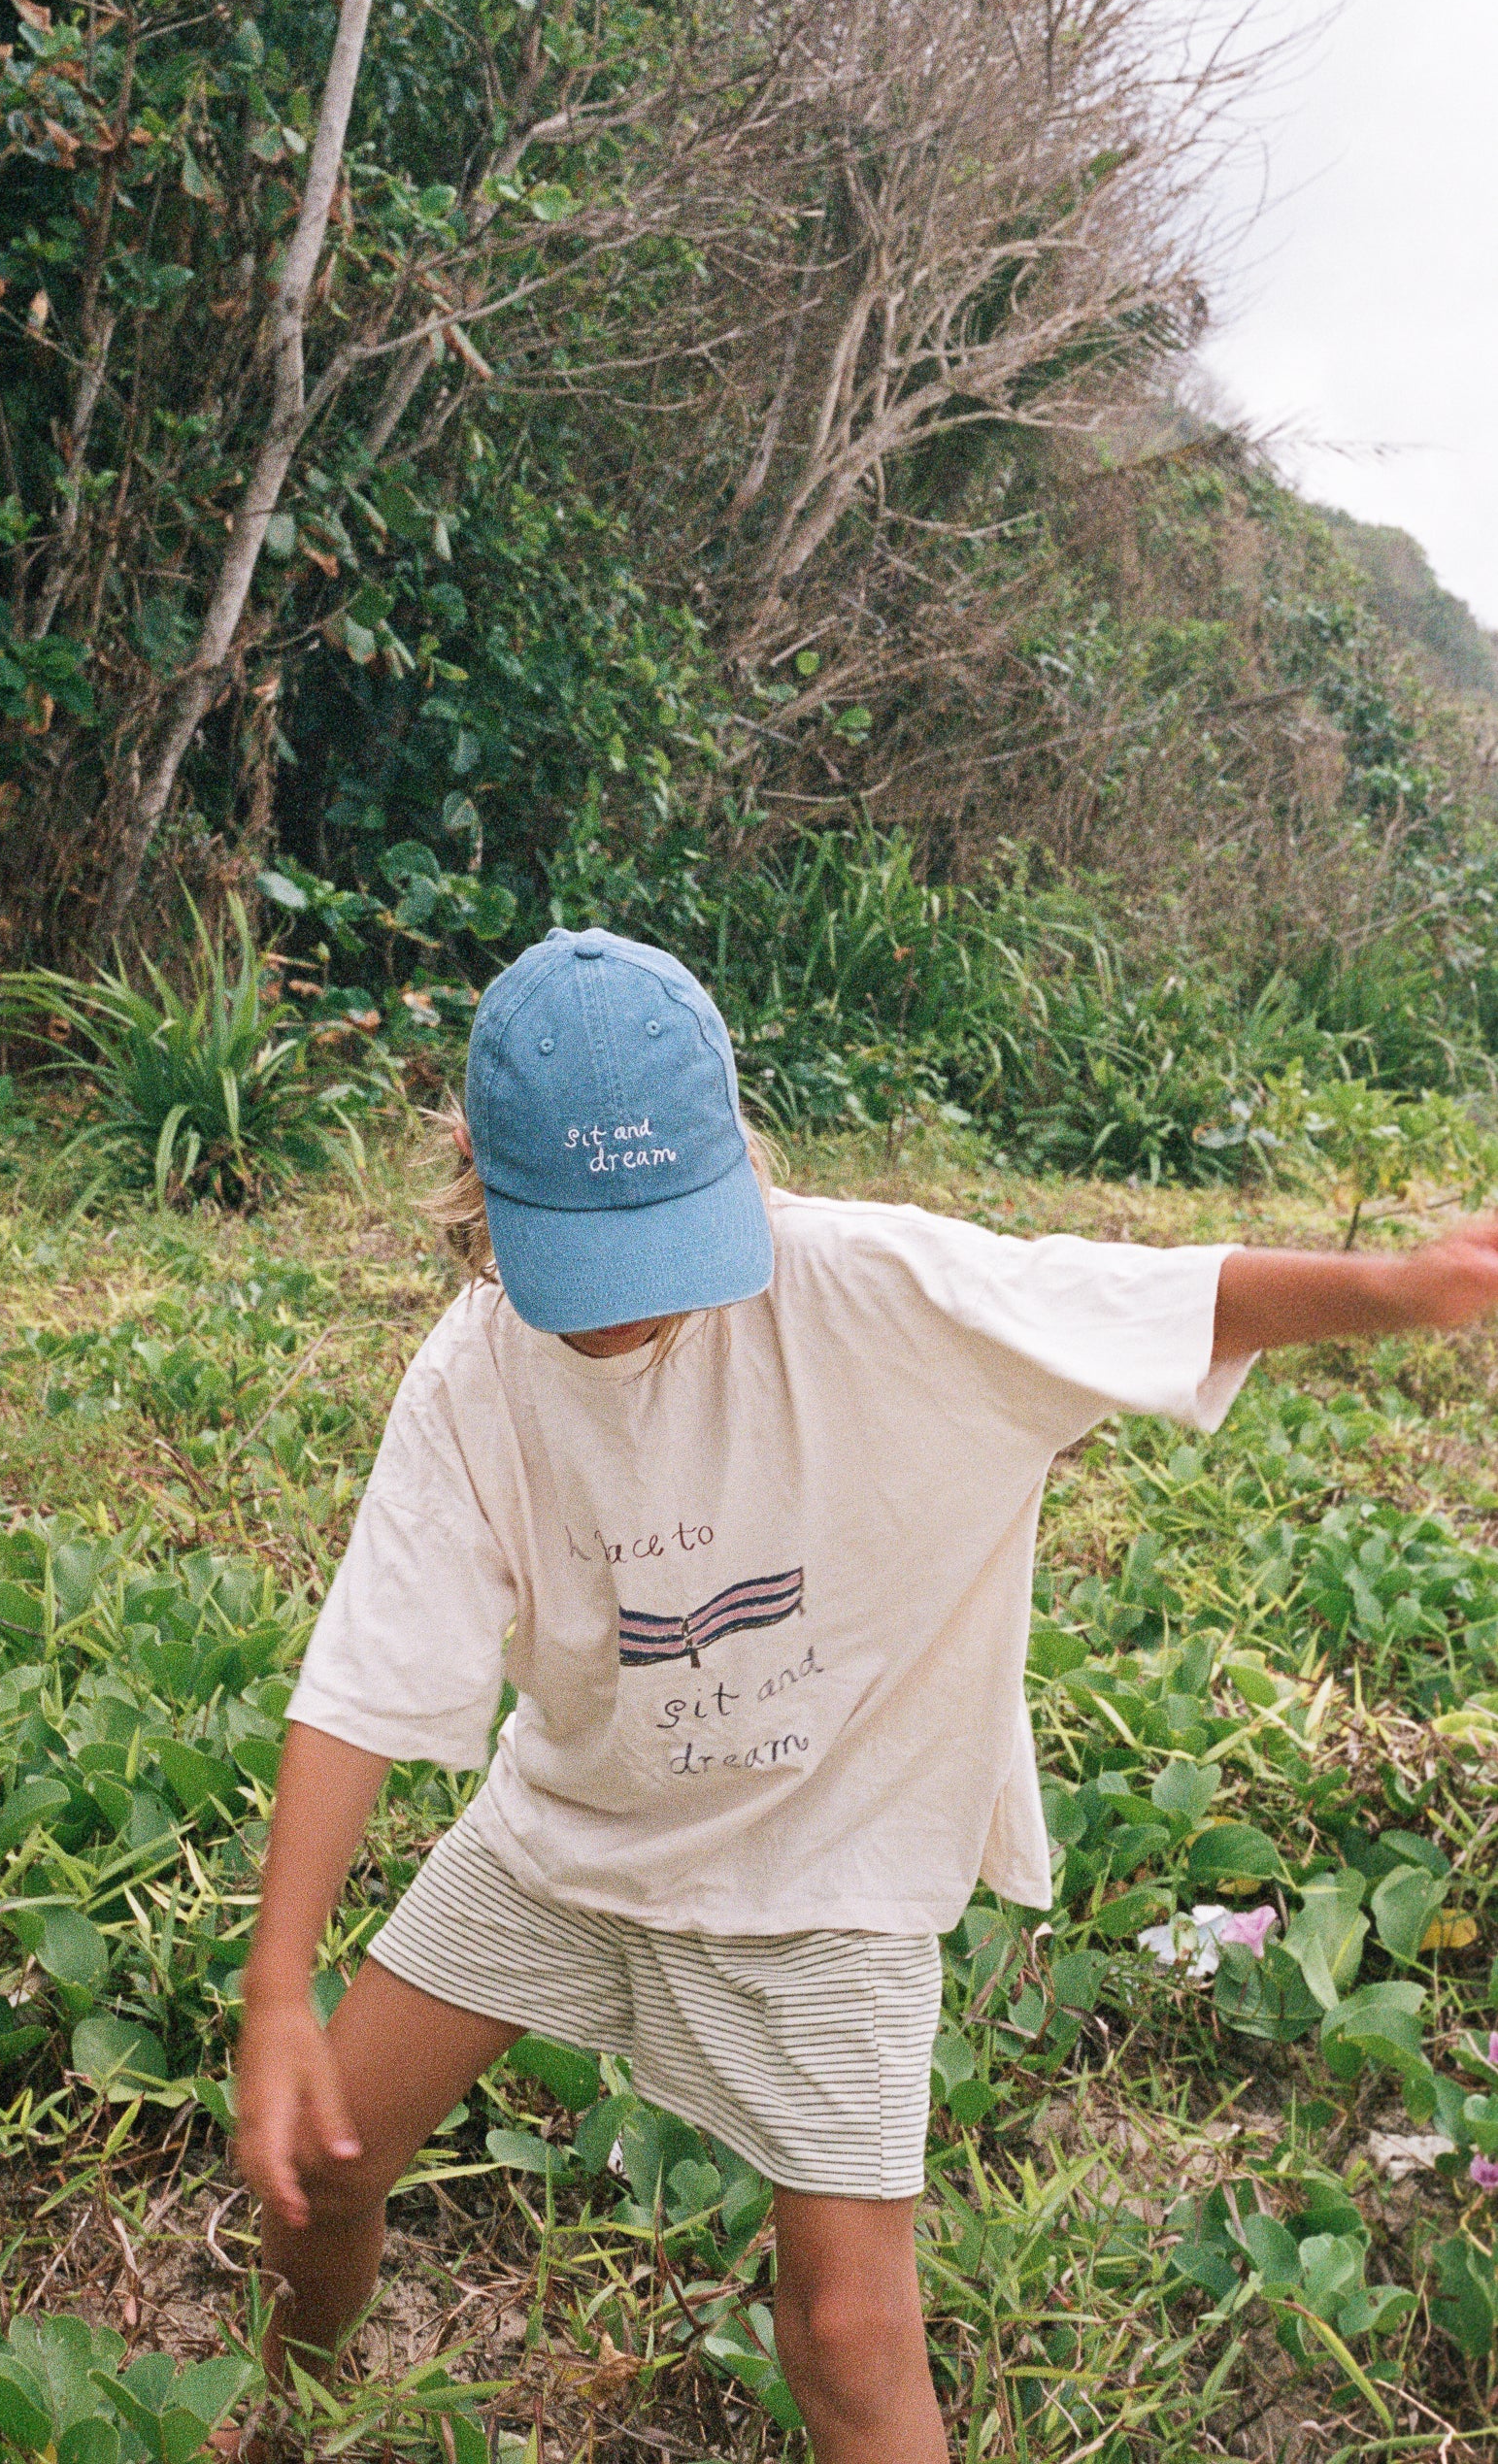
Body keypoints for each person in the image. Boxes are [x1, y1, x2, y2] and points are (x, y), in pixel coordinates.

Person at [235, 926, 1498, 2462]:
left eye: (660, 1253)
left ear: (738, 1162)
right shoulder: (471, 1375)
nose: (624, 1314)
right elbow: (367, 1672)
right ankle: (283, 2413)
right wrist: (277, 1983)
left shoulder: (866, 1279)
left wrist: (1407, 1285)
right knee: (324, 2161)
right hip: (567, 1833)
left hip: (824, 1859)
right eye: (582, 1259)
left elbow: (1154, 1295)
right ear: (469, 1170)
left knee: (843, 2332)